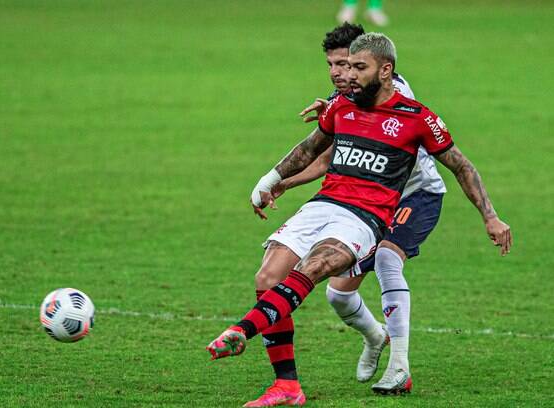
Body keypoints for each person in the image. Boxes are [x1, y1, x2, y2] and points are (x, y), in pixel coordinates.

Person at [206, 32, 512, 407]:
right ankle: (287, 387)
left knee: (318, 266)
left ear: (385, 71)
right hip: (323, 204)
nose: (347, 74)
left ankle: (243, 330)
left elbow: (461, 166)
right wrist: (271, 181)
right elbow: (311, 150)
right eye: (344, 66)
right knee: (268, 277)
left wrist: (491, 217)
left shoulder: (417, 117)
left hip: (366, 216)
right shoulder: (340, 107)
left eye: (357, 67)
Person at [272, 24, 447, 395]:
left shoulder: (393, 95)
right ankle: (375, 337)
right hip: (365, 204)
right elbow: (332, 160)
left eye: (346, 64)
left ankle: (400, 368)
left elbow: (335, 156)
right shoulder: (347, 101)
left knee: (386, 258)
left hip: (414, 195)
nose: (339, 73)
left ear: (373, 64)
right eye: (333, 65)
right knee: (338, 294)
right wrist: (283, 182)